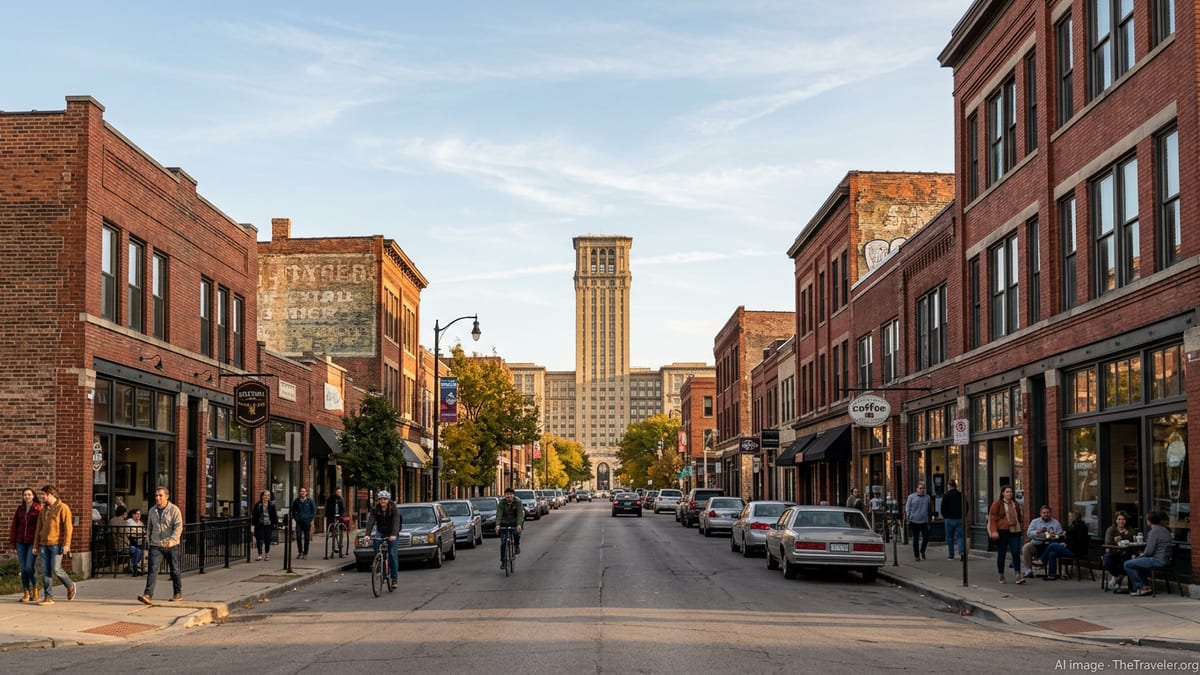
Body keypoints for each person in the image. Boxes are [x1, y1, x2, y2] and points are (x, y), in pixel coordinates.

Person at [137, 486, 183, 605]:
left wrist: (172, 541)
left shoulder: (174, 510)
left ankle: (177, 593)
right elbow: (150, 527)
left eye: (160, 495)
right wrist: (149, 540)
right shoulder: (152, 510)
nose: (158, 498)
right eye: (156, 495)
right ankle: (148, 595)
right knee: (152, 570)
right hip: (156, 545)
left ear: (167, 497)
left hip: (171, 546)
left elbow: (178, 527)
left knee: (175, 570)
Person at [32, 485, 77, 605]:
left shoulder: (63, 508)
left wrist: (67, 544)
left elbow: (68, 528)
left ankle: (70, 585)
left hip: (56, 544)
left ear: (50, 495)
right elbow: (38, 529)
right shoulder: (43, 510)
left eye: (44, 495)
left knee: (56, 569)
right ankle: (48, 597)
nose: (42, 497)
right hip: (43, 545)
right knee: (45, 571)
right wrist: (35, 545)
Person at [1124, 511, 1173, 597]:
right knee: (1136, 562)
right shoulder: (1165, 530)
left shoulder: (1153, 532)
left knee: (1128, 564)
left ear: (1149, 521)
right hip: (1166, 560)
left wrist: (1140, 556)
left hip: (1158, 561)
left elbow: (1149, 552)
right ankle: (1145, 586)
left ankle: (1141, 587)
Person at [9, 486, 41, 603]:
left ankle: (35, 588)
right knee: (23, 568)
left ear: (33, 496)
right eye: (25, 495)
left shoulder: (37, 509)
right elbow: (14, 527)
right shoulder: (20, 509)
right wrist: (12, 543)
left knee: (29, 567)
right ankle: (26, 592)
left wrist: (38, 544)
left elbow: (40, 527)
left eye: (29, 494)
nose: (27, 496)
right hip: (20, 543)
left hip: (32, 543)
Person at [364, 491, 401, 590]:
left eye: (385, 499)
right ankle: (379, 561)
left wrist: (393, 534)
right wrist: (367, 535)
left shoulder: (394, 509)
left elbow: (396, 522)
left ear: (388, 500)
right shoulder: (375, 509)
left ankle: (394, 579)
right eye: (381, 499)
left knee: (392, 554)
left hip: (392, 532)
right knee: (376, 543)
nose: (383, 501)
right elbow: (371, 521)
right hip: (381, 531)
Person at [987, 485, 1024, 584]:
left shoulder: (1015, 504)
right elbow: (993, 518)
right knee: (1002, 553)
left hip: (1015, 531)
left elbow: (1019, 517)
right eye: (1007, 492)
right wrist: (994, 531)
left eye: (1011, 492)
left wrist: (1021, 526)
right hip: (1002, 531)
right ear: (1003, 493)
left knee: (1016, 552)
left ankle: (1018, 574)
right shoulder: (997, 504)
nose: (1009, 494)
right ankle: (1001, 574)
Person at [1039, 510, 1088, 580]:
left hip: (1075, 551)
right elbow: (1070, 538)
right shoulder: (1074, 526)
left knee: (1052, 545)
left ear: (1074, 517)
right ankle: (1052, 575)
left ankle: (1042, 560)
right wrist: (1065, 542)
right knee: (1052, 553)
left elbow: (1078, 542)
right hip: (1071, 548)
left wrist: (1066, 544)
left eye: (1070, 516)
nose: (1068, 518)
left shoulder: (1079, 526)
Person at [1020, 505, 1063, 583]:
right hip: (1037, 544)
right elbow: (1029, 533)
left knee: (1052, 549)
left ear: (1051, 513)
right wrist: (1037, 532)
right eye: (1044, 513)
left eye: (1048, 512)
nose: (1046, 514)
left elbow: (1059, 535)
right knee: (1026, 547)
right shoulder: (1035, 521)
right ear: (1040, 514)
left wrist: (1054, 536)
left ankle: (1049, 570)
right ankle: (1028, 571)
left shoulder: (1056, 523)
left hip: (1049, 545)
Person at [1102, 510, 1139, 592]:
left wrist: (1133, 552)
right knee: (1107, 559)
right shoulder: (1111, 530)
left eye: (1123, 519)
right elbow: (1108, 543)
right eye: (1119, 519)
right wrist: (1116, 543)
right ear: (1115, 520)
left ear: (1126, 521)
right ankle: (1117, 576)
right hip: (1113, 553)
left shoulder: (1130, 530)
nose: (1121, 521)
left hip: (1126, 553)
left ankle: (1118, 578)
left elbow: (1134, 543)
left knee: (1129, 559)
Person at [495, 487, 524, 570]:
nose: (509, 496)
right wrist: (497, 525)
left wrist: (519, 524)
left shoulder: (518, 503)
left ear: (513, 495)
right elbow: (499, 514)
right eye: (507, 494)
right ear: (505, 495)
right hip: (504, 523)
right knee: (503, 542)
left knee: (516, 533)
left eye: (510, 494)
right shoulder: (501, 503)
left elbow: (520, 515)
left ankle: (516, 545)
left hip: (515, 523)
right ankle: (503, 561)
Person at [904, 482, 933, 561]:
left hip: (924, 521)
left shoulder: (927, 497)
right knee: (915, 539)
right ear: (917, 489)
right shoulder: (911, 497)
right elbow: (907, 508)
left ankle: (922, 551)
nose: (922, 490)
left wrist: (930, 518)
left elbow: (929, 509)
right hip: (914, 521)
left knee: (926, 538)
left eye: (923, 488)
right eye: (920, 488)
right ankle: (916, 556)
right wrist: (908, 517)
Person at [941, 479, 966, 560]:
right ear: (955, 485)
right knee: (960, 537)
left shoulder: (946, 495)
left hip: (949, 519)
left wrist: (945, 516)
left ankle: (951, 555)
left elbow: (943, 508)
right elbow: (966, 506)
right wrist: (963, 514)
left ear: (949, 486)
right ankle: (962, 553)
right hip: (959, 518)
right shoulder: (960, 494)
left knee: (950, 538)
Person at [252, 490, 279, 561]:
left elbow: (274, 515)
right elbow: (254, 515)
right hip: (260, 524)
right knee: (259, 539)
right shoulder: (258, 504)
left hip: (268, 525)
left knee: (267, 540)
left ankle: (267, 554)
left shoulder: (272, 505)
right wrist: (253, 524)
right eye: (265, 495)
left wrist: (274, 523)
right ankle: (259, 554)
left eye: (268, 495)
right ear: (262, 496)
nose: (267, 497)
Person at [291, 487, 316, 560]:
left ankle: (305, 553)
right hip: (299, 522)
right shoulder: (297, 501)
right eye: (301, 491)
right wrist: (296, 518)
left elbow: (313, 511)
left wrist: (310, 519)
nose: (302, 493)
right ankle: (300, 552)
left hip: (307, 522)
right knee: (298, 536)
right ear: (299, 493)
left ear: (306, 493)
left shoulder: (310, 501)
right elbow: (293, 510)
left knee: (306, 538)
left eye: (304, 491)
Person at [126, 508, 146, 576]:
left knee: (139, 550)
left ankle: (134, 566)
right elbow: (129, 533)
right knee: (137, 551)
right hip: (130, 543)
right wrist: (138, 533)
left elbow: (143, 532)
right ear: (133, 515)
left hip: (139, 542)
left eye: (139, 514)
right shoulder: (129, 522)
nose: (139, 515)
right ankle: (135, 567)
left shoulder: (140, 523)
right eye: (137, 514)